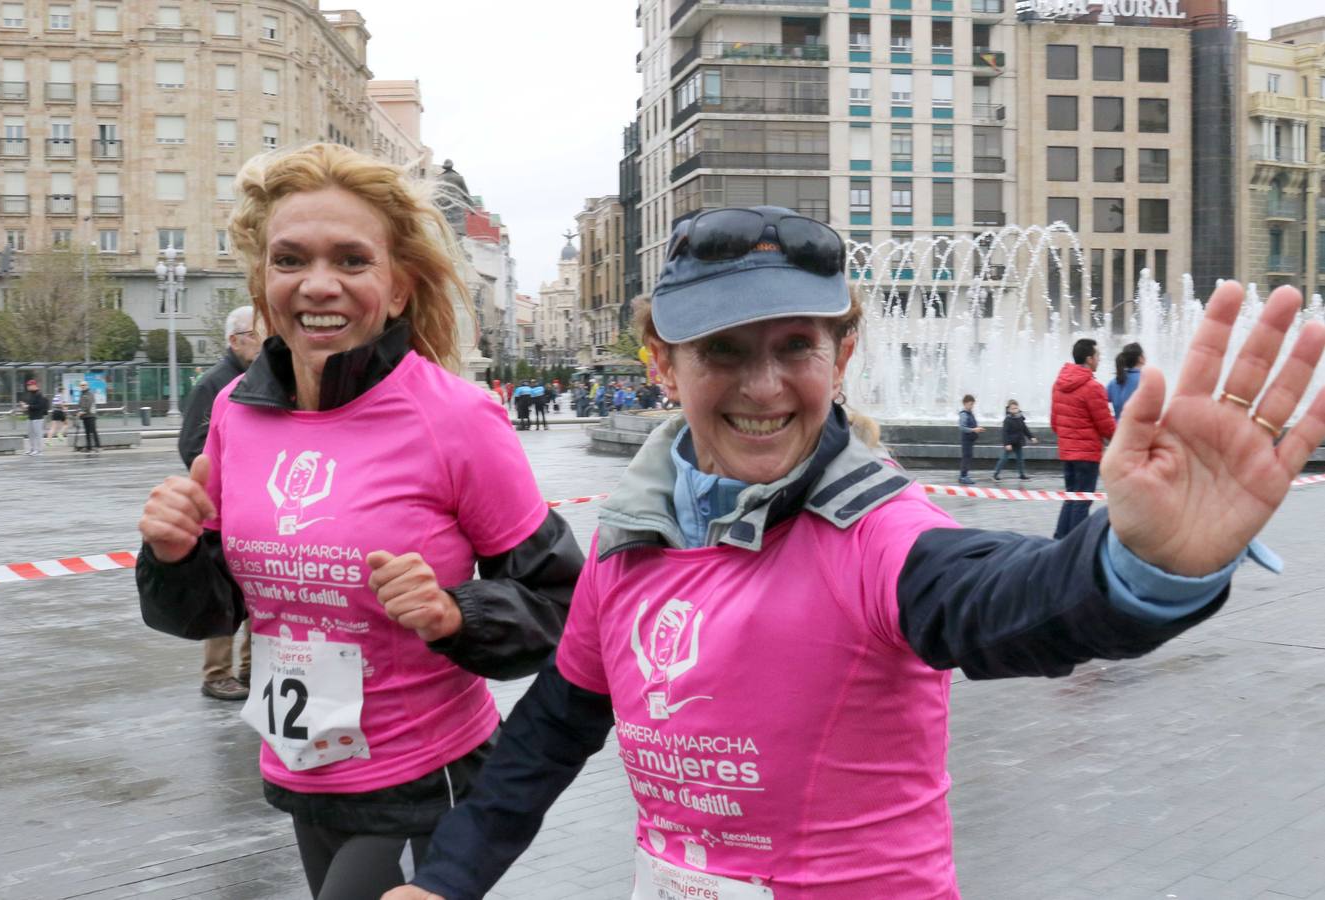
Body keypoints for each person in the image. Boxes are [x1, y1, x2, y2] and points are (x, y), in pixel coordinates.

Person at [385, 206, 1325, 900]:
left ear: (842, 354)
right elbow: (554, 725)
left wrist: (1139, 566)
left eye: (795, 345)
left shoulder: (877, 531)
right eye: (720, 350)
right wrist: (445, 880)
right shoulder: (633, 537)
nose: (764, 385)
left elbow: (1004, 604)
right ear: (661, 363)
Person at [134, 143, 583, 900]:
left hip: (425, 779)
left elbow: (564, 607)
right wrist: (174, 553)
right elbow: (215, 610)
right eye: (290, 260)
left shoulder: (456, 418)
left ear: (398, 288)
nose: (318, 285)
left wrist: (452, 614)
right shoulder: (235, 414)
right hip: (300, 767)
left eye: (350, 260)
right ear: (263, 281)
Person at [177, 305, 262, 702]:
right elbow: (192, 446)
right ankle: (216, 674)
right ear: (235, 340)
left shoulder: (260, 378)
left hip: (255, 507)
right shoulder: (214, 384)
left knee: (255, 596)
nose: (264, 344)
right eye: (257, 336)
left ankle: (250, 668)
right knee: (223, 597)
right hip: (222, 512)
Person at [1051, 338, 1117, 538]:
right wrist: (1120, 439)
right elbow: (1105, 425)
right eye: (1097, 356)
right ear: (1089, 359)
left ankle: (1060, 539)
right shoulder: (1092, 387)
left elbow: (1054, 422)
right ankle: (1075, 544)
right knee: (1082, 500)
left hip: (1067, 452)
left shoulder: (1059, 384)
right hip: (1087, 455)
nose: (1099, 359)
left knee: (1071, 497)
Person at [992, 399, 1038, 480]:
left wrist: (1031, 437)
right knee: (1004, 459)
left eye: (1016, 408)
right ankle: (995, 474)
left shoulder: (1020, 418)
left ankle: (1022, 475)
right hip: (1010, 443)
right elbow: (1005, 433)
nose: (1015, 410)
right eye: (1013, 408)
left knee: (1020, 459)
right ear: (1009, 409)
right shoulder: (1007, 420)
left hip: (1018, 442)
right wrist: (1007, 444)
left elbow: (1025, 429)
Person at [1108, 342, 1145, 421]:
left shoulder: (1114, 382)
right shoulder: (1144, 381)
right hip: (1137, 430)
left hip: (1117, 430)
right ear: (1140, 358)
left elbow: (1099, 402)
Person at [957, 393, 985, 484]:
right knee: (966, 457)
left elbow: (971, 425)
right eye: (970, 404)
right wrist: (974, 429)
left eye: (973, 404)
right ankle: (963, 476)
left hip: (970, 440)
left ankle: (964, 475)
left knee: (968, 457)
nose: (972, 406)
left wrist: (978, 429)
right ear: (965, 403)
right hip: (966, 440)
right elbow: (962, 427)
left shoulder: (970, 413)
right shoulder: (964, 414)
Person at [20, 378, 48, 456]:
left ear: (34, 385)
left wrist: (28, 406)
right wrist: (24, 406)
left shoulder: (39, 394)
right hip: (31, 417)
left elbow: (39, 406)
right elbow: (30, 405)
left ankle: (39, 450)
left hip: (38, 417)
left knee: (38, 434)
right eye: (28, 385)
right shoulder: (31, 394)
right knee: (30, 434)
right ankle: (32, 449)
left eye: (29, 385)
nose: (28, 387)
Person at [76, 380, 101, 453]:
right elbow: (80, 405)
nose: (83, 386)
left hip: (91, 416)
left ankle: (98, 447)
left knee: (93, 431)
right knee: (87, 432)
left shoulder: (90, 394)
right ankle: (89, 447)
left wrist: (82, 411)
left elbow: (89, 404)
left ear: (87, 386)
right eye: (81, 385)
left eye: (84, 385)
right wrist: (78, 411)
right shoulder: (82, 394)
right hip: (85, 416)